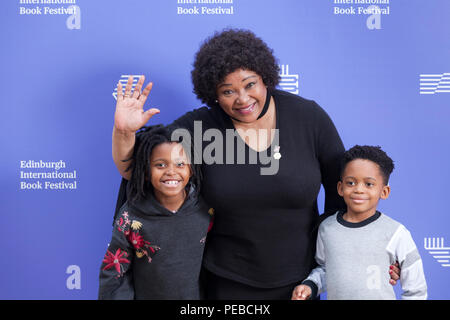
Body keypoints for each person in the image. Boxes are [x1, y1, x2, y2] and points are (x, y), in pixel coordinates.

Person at [111, 29, 400, 299]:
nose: (243, 99)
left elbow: (347, 195)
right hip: (224, 283)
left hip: (301, 284)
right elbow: (135, 172)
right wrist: (124, 131)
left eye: (250, 85)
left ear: (265, 78)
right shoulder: (200, 127)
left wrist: (368, 252)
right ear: (212, 93)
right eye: (228, 91)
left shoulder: (308, 118)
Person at [292, 145, 427, 300]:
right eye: (351, 183)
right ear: (340, 188)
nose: (358, 190)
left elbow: (416, 289)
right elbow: (326, 269)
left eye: (369, 184)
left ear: (384, 192)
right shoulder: (327, 229)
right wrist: (310, 285)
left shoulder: (395, 233)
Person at [99, 125, 212, 299]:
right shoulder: (130, 217)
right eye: (160, 164)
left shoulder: (206, 210)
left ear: (191, 168)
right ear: (145, 172)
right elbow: (115, 274)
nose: (171, 172)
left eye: (180, 164)